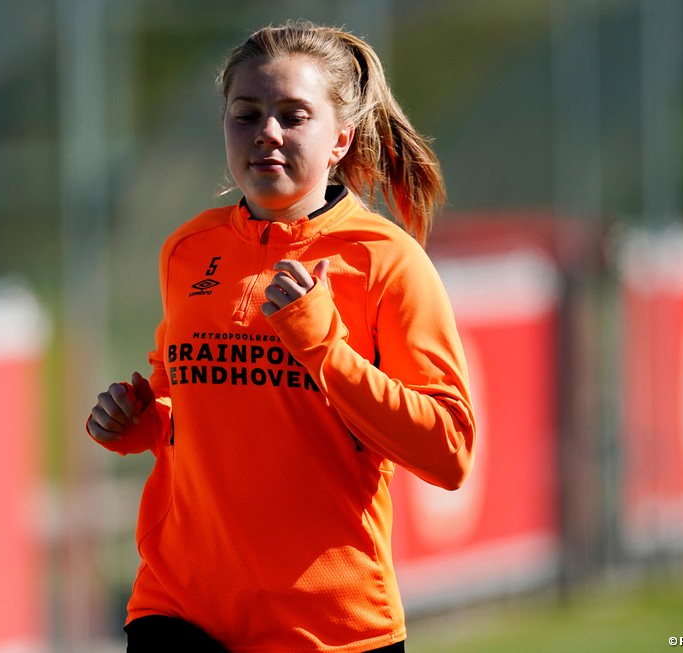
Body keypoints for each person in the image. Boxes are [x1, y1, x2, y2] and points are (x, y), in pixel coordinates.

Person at [87, 20, 476, 653]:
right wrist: (140, 421)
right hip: (180, 606)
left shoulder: (386, 261)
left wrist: (324, 347)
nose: (267, 132)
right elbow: (177, 400)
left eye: (293, 116)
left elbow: (449, 452)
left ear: (340, 139)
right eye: (247, 115)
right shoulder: (188, 248)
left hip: (326, 628)